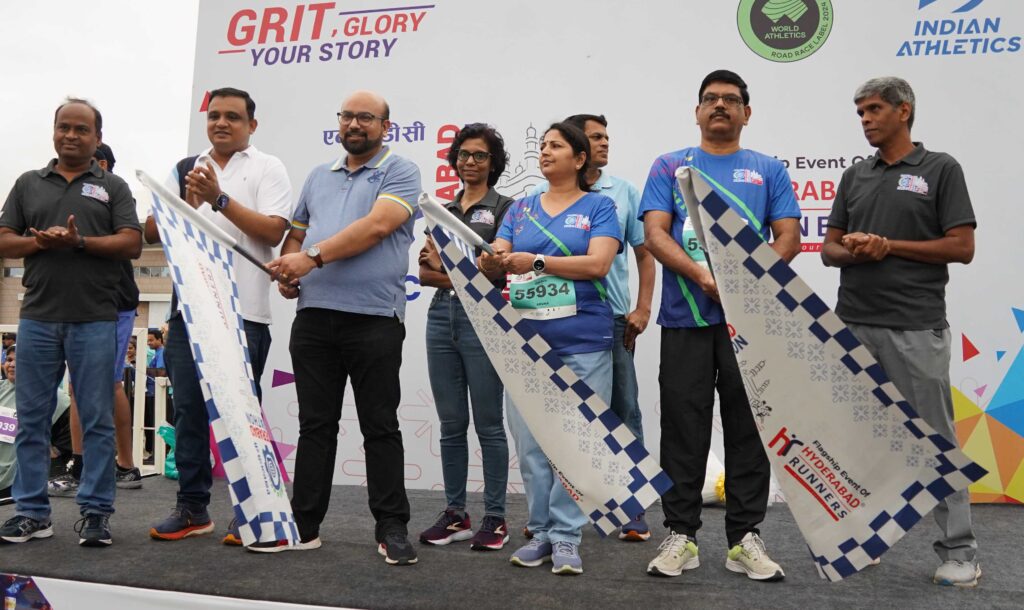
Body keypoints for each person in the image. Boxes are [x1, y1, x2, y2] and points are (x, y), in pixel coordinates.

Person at [639, 70, 801, 581]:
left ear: (746, 113)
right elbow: (656, 234)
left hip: (750, 324)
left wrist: (744, 283)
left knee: (748, 428)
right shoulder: (670, 165)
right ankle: (681, 536)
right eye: (710, 99)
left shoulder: (768, 169)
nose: (720, 106)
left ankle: (745, 539)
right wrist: (702, 275)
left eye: (731, 100)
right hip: (685, 318)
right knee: (682, 427)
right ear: (697, 111)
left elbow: (790, 237)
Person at [822, 76, 979, 587]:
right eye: (859, 112)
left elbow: (961, 247)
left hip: (915, 327)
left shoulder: (941, 168)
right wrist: (859, 248)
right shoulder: (855, 176)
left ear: (903, 110)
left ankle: (959, 551)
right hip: (853, 324)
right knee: (858, 444)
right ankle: (864, 541)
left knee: (934, 442)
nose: (865, 119)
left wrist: (889, 245)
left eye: (872, 110)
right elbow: (829, 250)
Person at [265, 90, 421, 565]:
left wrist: (309, 258)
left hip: (374, 319)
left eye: (366, 118)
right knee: (316, 425)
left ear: (385, 127)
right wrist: (290, 269)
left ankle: (391, 527)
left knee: (380, 425)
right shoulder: (318, 175)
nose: (355, 124)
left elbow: (377, 226)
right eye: (348, 116)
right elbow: (296, 231)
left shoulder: (400, 171)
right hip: (314, 318)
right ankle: (304, 523)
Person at [145, 87, 293, 544]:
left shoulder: (269, 167)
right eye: (214, 116)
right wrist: (191, 198)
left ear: (252, 124)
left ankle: (252, 511)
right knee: (188, 411)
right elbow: (152, 232)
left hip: (246, 313)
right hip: (190, 312)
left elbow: (273, 231)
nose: (221, 123)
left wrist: (219, 198)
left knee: (241, 415)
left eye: (232, 116)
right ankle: (192, 508)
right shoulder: (186, 168)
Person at [480, 122, 622, 576]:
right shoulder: (520, 210)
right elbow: (497, 258)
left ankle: (566, 536)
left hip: (583, 340)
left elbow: (598, 264)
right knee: (532, 446)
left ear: (579, 159)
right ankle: (540, 533)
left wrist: (536, 261)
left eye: (556, 146)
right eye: (541, 146)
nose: (544, 152)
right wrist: (490, 259)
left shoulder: (601, 207)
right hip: (525, 344)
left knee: (576, 442)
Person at [0, 98, 142, 546]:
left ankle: (97, 511)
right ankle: (32, 513)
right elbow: (4, 240)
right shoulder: (27, 184)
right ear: (54, 131)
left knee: (96, 418)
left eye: (82, 129)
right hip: (38, 319)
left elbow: (132, 243)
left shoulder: (113, 187)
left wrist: (81, 242)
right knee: (32, 419)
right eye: (64, 127)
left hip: (95, 319)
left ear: (97, 137)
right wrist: (38, 242)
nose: (71, 135)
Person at [531, 113, 655, 540]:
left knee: (623, 411)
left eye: (606, 137)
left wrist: (642, 307)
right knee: (556, 425)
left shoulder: (621, 192)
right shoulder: (535, 198)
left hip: (614, 317)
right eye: (594, 137)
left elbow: (644, 254)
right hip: (552, 325)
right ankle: (553, 519)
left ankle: (632, 508)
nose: (604, 143)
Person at [417, 124, 514, 550]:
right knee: (451, 423)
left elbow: (499, 270)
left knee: (489, 424)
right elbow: (423, 273)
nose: (469, 162)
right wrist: (465, 273)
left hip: (486, 320)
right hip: (441, 317)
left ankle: (495, 518)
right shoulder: (442, 210)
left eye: (480, 156)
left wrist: (453, 269)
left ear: (494, 164)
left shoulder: (508, 208)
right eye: (464, 155)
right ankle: (456, 513)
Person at [48, 145, 143, 497]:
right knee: (78, 387)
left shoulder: (113, 191)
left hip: (113, 302)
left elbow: (131, 243)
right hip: (75, 304)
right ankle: (85, 463)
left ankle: (122, 465)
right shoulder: (60, 193)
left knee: (109, 384)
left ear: (101, 164)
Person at [1, 346, 73, 502]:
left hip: (22, 483)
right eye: (9, 360)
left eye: (18, 360)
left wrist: (51, 453)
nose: (12, 364)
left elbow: (67, 442)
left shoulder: (57, 400)